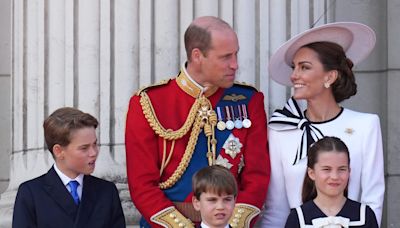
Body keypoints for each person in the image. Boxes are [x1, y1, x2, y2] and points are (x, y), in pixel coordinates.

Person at [125, 16, 270, 227]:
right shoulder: (149, 102)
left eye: (236, 54)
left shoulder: (249, 100)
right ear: (197, 56)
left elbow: (257, 176)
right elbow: (142, 185)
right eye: (225, 57)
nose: (235, 64)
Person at [260, 22, 384, 227]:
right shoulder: (280, 130)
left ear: (330, 76)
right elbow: (277, 209)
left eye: (304, 67)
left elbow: (373, 203)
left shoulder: (366, 126)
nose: (294, 75)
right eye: (294, 67)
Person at [12, 107, 126, 228]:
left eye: (95, 144)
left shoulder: (107, 191)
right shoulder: (31, 193)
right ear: (59, 151)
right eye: (84, 148)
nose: (93, 152)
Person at [285, 136, 379, 227]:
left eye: (342, 169)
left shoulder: (364, 216)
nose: (335, 176)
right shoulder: (298, 218)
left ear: (349, 171)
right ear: (312, 173)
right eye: (326, 169)